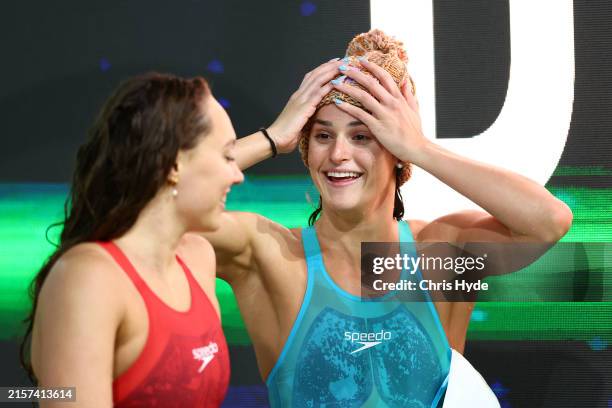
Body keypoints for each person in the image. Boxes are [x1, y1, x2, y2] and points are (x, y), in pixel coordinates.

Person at [206, 30, 573, 407]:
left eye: (362, 136)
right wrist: (272, 137)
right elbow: (150, 212)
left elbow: (549, 221)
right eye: (322, 136)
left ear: (395, 147)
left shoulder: (439, 255)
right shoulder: (271, 257)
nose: (338, 154)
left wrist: (420, 147)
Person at [20, 72, 244, 407]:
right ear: (174, 164)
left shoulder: (198, 258)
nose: (238, 174)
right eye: (227, 156)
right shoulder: (89, 279)